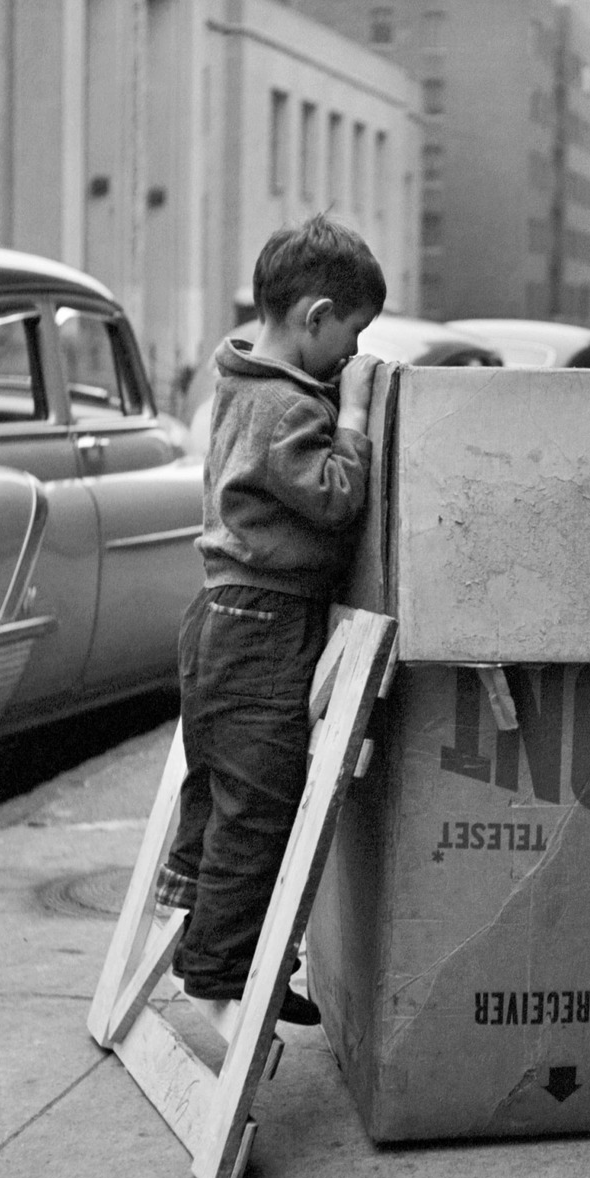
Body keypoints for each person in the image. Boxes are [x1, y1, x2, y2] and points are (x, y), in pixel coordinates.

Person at [155, 215, 384, 1025]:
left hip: (222, 613)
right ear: (317, 316)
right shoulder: (289, 407)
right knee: (259, 805)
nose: (353, 354)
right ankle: (220, 978)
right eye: (352, 334)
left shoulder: (243, 380)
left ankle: (221, 944)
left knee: (221, 792)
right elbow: (333, 497)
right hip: (262, 621)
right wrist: (352, 414)